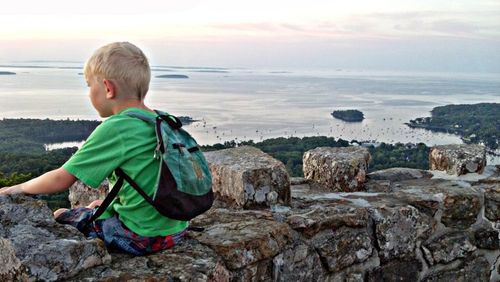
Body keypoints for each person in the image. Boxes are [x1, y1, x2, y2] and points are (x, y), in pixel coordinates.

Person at [0, 42, 188, 255]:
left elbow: (62, 179)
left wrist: (17, 188)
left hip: (139, 237)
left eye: (89, 85)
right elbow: (148, 176)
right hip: (176, 231)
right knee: (95, 207)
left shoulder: (116, 127)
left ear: (108, 88)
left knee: (62, 213)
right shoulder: (161, 120)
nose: (89, 92)